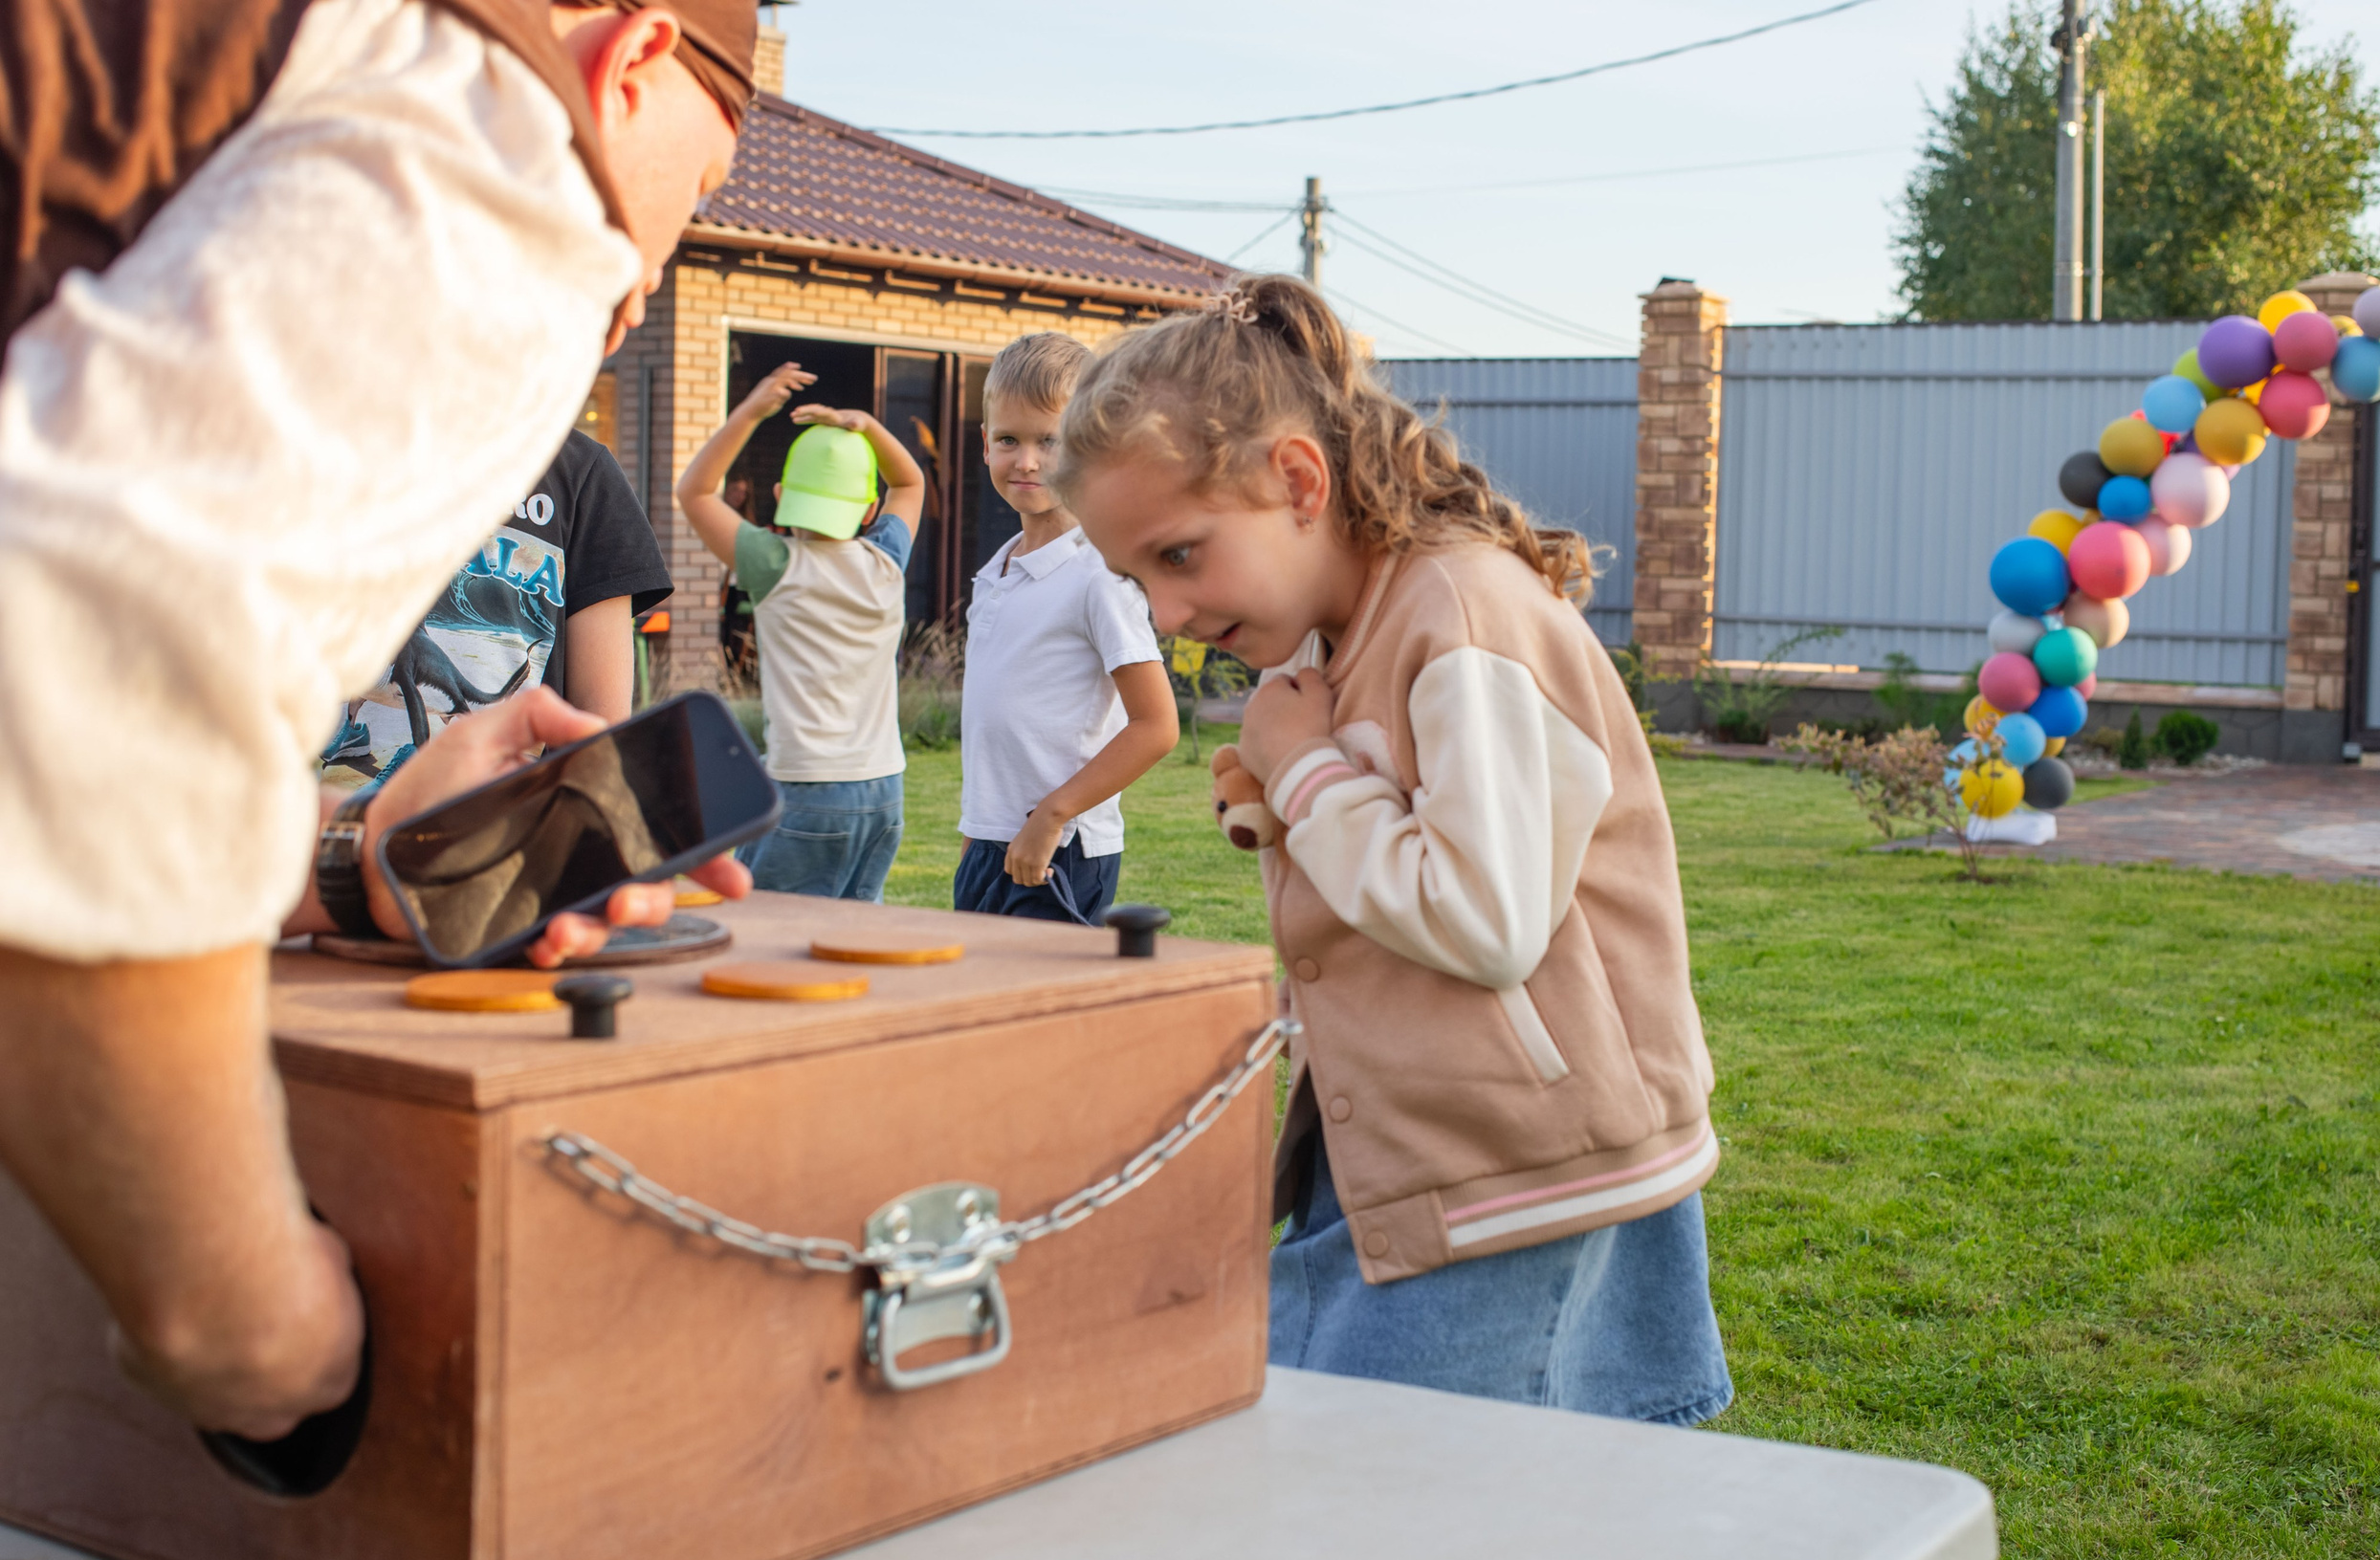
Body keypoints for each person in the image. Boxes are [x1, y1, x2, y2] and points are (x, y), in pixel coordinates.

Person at [0, 0, 759, 1439]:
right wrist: (247, 1326)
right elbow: (84, 689)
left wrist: (350, 857)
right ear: (635, 59)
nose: (652, 274)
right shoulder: (496, 134)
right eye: (701, 192)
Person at [1054, 275, 1732, 1424]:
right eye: (1135, 579)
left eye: (1179, 555)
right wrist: (1293, 784)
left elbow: (1486, 918)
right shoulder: (1336, 636)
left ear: (1297, 481)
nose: (1163, 615)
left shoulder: (1460, 616)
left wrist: (1305, 774)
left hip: (1519, 1171)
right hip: (1423, 1148)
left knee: (1401, 1494)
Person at [678, 363, 926, 901]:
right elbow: (910, 482)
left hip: (809, 786)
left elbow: (695, 492)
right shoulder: (886, 561)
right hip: (885, 788)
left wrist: (752, 411)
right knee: (853, 935)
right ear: (870, 509)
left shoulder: (774, 563)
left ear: (780, 493)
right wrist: (866, 426)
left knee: (772, 930)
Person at [954, 334, 1177, 925]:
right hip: (989, 845)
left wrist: (1053, 815)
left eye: (1049, 442)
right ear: (985, 443)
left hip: (1061, 848)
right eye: (1009, 440)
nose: (1026, 461)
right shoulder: (996, 573)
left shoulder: (1100, 575)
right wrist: (978, 832)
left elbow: (1157, 726)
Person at [323, 427, 672, 781]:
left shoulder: (578, 470)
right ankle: (354, 738)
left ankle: (415, 754)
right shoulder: (318, 438)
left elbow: (599, 741)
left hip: (503, 806)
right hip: (319, 811)